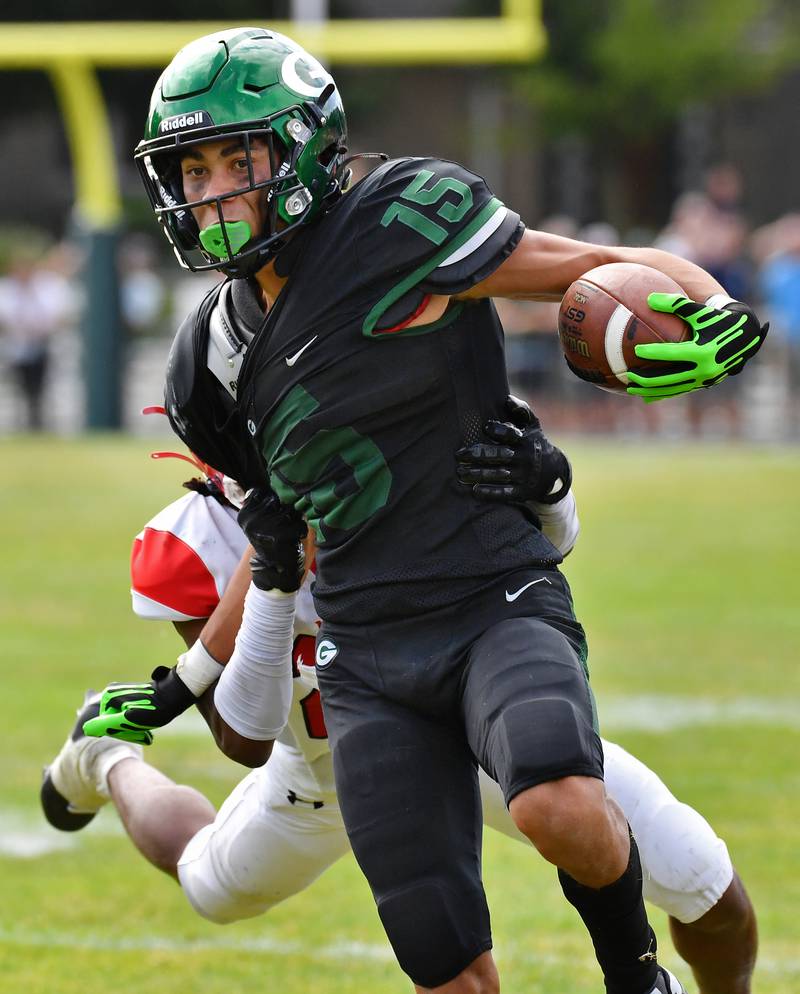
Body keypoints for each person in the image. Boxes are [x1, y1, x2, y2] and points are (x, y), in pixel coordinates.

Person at [93, 27, 768, 994]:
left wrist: (707, 306)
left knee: (569, 811)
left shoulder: (403, 220)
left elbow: (585, 263)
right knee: (449, 974)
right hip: (366, 655)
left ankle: (638, 977)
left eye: (232, 161)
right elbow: (289, 538)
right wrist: (186, 678)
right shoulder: (207, 366)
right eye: (190, 170)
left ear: (299, 150)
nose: (209, 195)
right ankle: (102, 760)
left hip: (488, 597)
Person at [43, 448, 756, 994]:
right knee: (209, 883)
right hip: (324, 765)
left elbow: (536, 554)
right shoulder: (195, 541)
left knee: (707, 886)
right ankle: (105, 758)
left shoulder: (407, 445)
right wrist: (271, 571)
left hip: (478, 721)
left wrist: (552, 488)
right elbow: (243, 737)